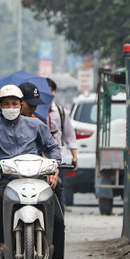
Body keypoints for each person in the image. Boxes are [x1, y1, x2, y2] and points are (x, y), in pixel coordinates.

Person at [0, 84, 78, 259]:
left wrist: (55, 166)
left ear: (20, 104)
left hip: (38, 179)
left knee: (58, 219)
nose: (11, 107)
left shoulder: (37, 125)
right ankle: (1, 246)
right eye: (6, 104)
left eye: (14, 103)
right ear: (0, 106)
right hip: (9, 179)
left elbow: (53, 147)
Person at [46, 78, 78, 210]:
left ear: (54, 92)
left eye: (50, 91)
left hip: (58, 160)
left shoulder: (60, 112)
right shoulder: (33, 113)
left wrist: (74, 156)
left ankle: (60, 227)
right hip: (39, 161)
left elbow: (69, 135)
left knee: (59, 194)